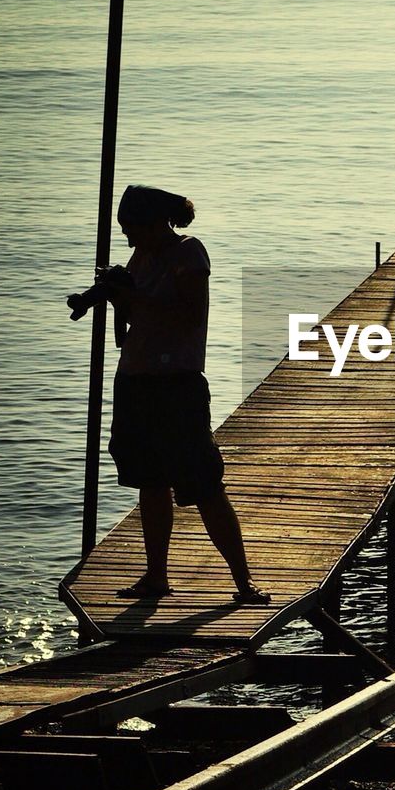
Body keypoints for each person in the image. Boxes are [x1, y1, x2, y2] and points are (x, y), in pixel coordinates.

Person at [102, 183, 270, 606]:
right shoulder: (141, 256)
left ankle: (243, 582)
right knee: (150, 481)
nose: (127, 237)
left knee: (204, 485)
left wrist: (133, 297)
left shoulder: (189, 253)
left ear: (158, 222)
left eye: (132, 228)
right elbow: (130, 325)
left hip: (176, 383)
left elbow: (190, 315)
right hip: (136, 381)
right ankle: (155, 576)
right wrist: (116, 298)